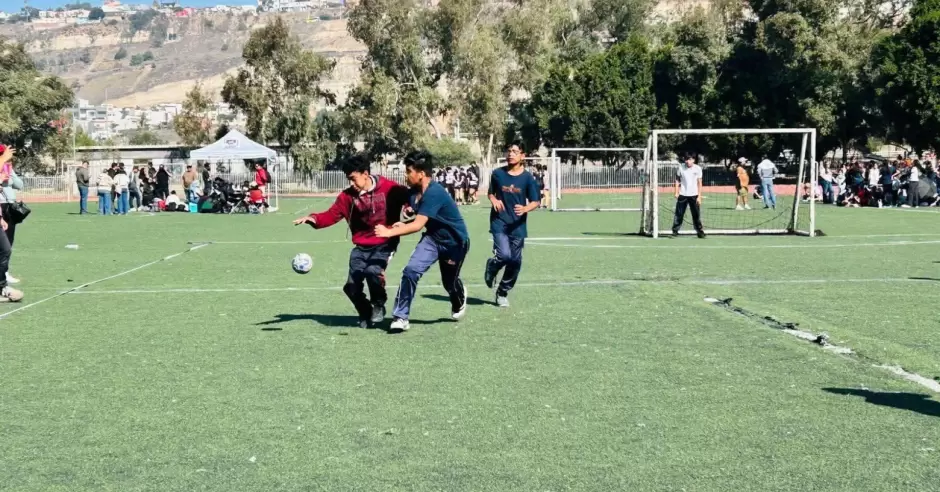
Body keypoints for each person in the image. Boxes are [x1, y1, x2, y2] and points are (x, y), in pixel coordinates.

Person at [293, 155, 410, 328]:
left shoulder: (389, 188)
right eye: (349, 179)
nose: (351, 183)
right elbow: (331, 215)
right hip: (361, 246)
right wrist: (313, 219)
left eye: (353, 178)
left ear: (365, 174)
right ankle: (365, 312)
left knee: (373, 271)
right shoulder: (347, 197)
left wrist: (409, 207)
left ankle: (378, 304)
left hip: (385, 243)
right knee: (351, 286)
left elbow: (410, 197)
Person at [375, 150, 470, 333]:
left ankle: (458, 295)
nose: (405, 175)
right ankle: (401, 317)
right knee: (410, 271)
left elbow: (418, 225)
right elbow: (420, 217)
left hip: (455, 243)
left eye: (408, 171)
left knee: (449, 283)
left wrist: (389, 232)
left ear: (421, 173)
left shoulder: (435, 192)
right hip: (433, 238)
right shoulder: (412, 193)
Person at [484, 143, 541, 307]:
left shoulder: (528, 178)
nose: (510, 154)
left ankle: (502, 292)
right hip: (499, 221)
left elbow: (536, 201)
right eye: (509, 151)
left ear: (522, 156)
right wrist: (494, 200)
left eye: (515, 151)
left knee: (515, 261)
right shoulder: (497, 174)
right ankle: (492, 266)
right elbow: (490, 193)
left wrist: (525, 208)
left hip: (517, 224)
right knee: (504, 255)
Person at [672, 154, 706, 238]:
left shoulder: (697, 168)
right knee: (679, 213)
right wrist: (676, 192)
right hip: (683, 194)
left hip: (694, 195)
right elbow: (677, 180)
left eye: (690, 159)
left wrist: (699, 196)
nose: (688, 161)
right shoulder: (681, 167)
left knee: (696, 214)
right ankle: (675, 231)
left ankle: (699, 231)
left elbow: (699, 183)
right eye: (686, 159)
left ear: (693, 160)